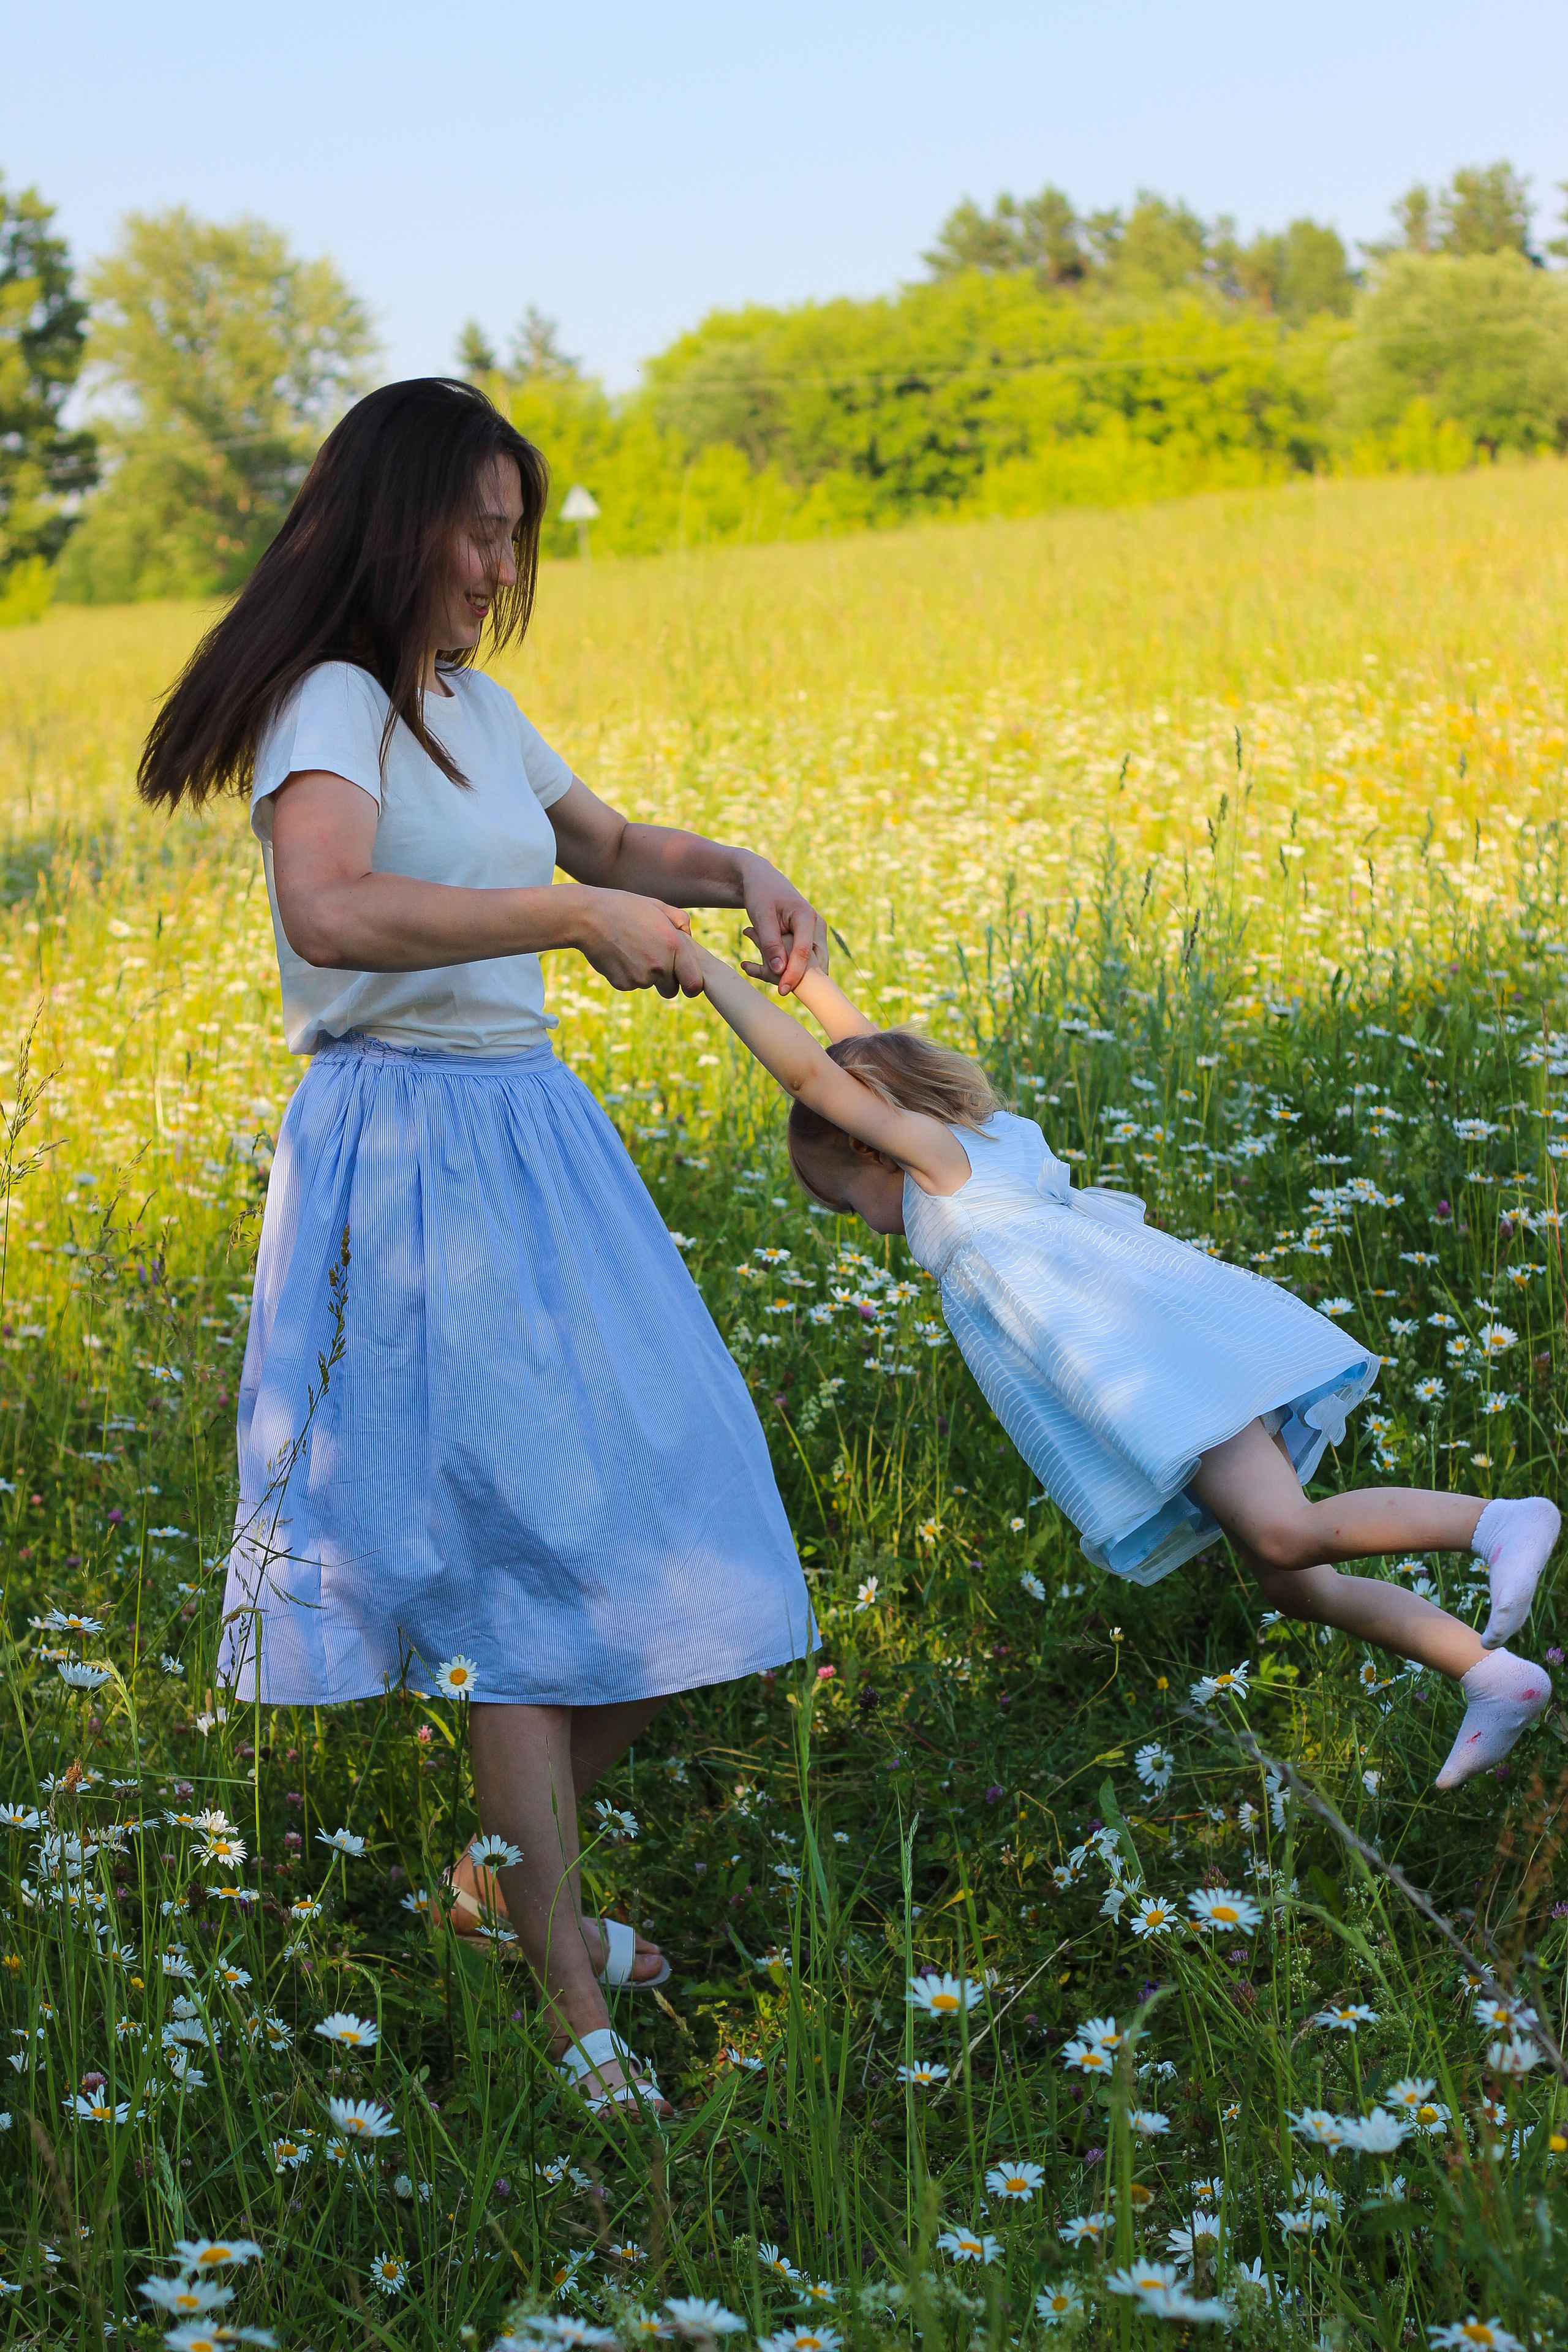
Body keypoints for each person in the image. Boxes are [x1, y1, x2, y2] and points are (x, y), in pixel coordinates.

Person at [136, 377, 824, 2116]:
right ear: (396, 521)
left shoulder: (471, 702)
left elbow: (604, 843)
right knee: (522, 1568)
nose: (503, 558)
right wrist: (568, 917)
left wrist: (728, 865)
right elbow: (334, 906)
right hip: (411, 1152)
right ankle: (574, 1997)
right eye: (481, 524)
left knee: (690, 1498)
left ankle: (503, 1875)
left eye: (517, 526)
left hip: (532, 1139)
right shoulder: (333, 703)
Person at [688, 940, 1558, 1789]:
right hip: (1162, 1358)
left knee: (1286, 1533)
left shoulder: (942, 1167)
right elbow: (859, 1064)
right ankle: (1491, 1675)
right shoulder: (979, 1140)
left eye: (845, 1200)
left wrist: (714, 975)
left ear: (872, 1146)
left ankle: (1498, 1520)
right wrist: (818, 987)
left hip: (1160, 1371)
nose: (866, 1220)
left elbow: (819, 1079)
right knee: (1292, 1581)